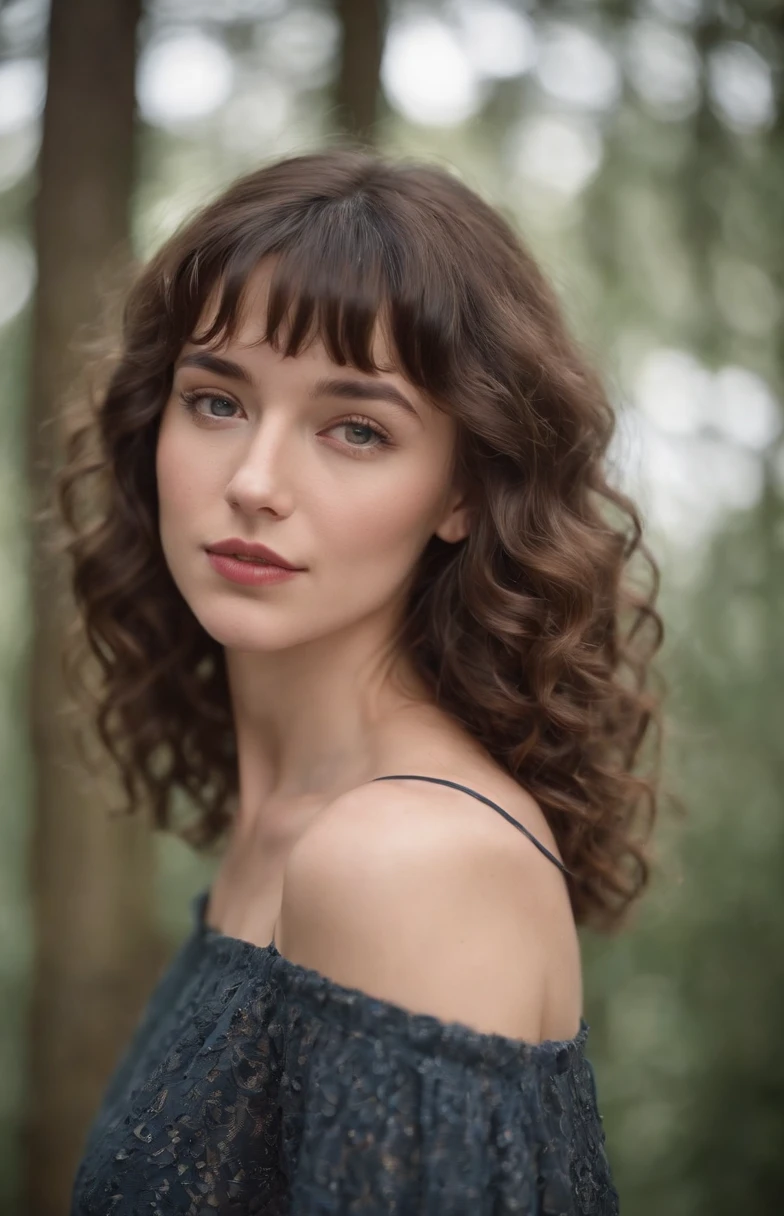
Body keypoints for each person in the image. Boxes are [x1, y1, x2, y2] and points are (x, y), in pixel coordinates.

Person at [63, 147, 661, 1214]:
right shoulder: (286, 822)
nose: (253, 482)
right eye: (215, 401)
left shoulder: (404, 860)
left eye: (356, 428)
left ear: (463, 492)